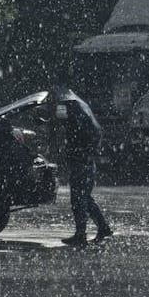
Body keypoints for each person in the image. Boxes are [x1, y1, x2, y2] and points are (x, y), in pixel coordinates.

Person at [42, 85, 112, 247]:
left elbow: (70, 131)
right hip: (85, 161)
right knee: (85, 197)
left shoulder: (74, 111)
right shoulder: (81, 111)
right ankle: (103, 228)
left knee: (78, 199)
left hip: (81, 162)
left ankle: (81, 234)